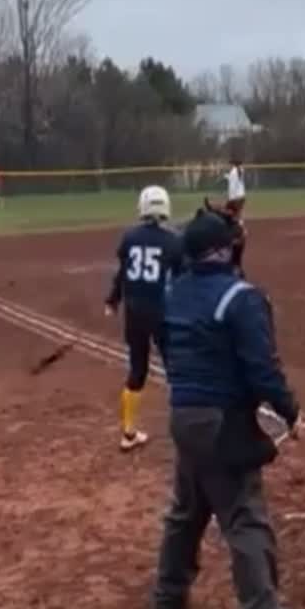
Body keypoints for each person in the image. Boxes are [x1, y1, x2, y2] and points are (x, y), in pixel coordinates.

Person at [148, 209, 305, 609]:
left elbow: (165, 344)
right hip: (222, 421)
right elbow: (263, 370)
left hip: (183, 414)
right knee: (244, 516)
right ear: (221, 249)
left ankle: (167, 598)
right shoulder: (240, 297)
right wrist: (289, 411)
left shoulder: (174, 293)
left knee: (188, 510)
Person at [105, 186, 184, 452]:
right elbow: (183, 279)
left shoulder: (129, 237)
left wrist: (113, 300)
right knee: (175, 369)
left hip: (135, 313)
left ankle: (128, 433)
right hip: (163, 312)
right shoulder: (174, 240)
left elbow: (123, 274)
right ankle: (184, 428)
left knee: (137, 370)